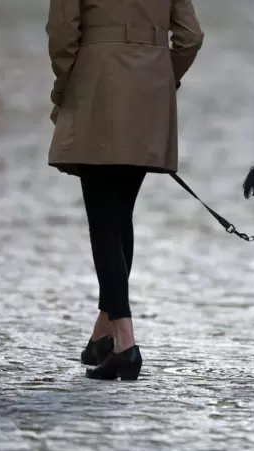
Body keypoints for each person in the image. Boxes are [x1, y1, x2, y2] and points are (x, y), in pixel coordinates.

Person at [46, 0, 204, 380]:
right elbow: (190, 36)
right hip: (150, 84)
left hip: (97, 80)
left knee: (103, 221)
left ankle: (126, 344)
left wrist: (65, 85)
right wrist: (163, 77)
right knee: (119, 216)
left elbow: (63, 34)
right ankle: (103, 335)